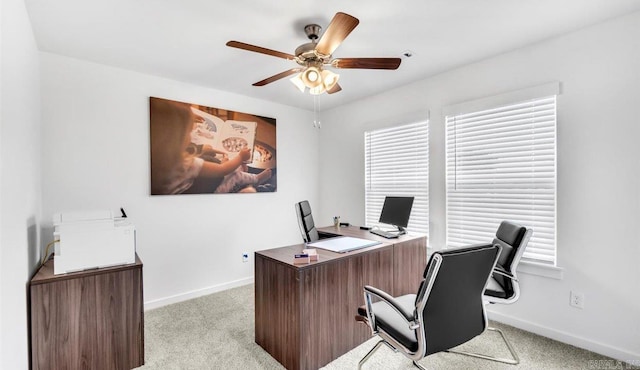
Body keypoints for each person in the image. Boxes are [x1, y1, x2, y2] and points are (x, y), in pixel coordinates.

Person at [150, 98, 271, 195]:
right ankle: (254, 180)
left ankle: (243, 173)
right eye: (188, 132)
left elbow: (187, 149)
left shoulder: (156, 160)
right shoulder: (185, 164)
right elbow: (222, 170)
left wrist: (201, 149)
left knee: (213, 159)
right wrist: (240, 157)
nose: (191, 136)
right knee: (232, 174)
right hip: (208, 192)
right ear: (176, 140)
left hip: (187, 190)